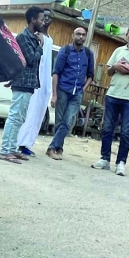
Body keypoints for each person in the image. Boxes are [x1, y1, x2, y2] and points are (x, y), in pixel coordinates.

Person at [92, 25, 129, 177]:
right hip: (113, 95)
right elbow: (109, 71)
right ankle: (104, 158)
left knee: (125, 132)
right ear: (127, 35)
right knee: (107, 129)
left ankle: (121, 163)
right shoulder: (119, 51)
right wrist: (116, 66)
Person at [0, 7, 45, 164]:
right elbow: (31, 59)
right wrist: (41, 45)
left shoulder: (31, 37)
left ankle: (12, 148)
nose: (43, 22)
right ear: (33, 20)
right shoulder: (25, 37)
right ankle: (5, 150)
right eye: (41, 19)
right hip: (22, 82)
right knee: (15, 117)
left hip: (27, 83)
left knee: (19, 118)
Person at [46, 26, 94, 160]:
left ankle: (51, 148)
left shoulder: (89, 54)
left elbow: (91, 76)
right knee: (59, 121)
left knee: (67, 122)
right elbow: (56, 73)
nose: (81, 37)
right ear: (73, 36)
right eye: (78, 34)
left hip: (76, 93)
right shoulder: (65, 51)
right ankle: (58, 148)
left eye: (83, 35)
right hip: (63, 90)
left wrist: (82, 90)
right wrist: (54, 95)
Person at [16, 9, 54, 157]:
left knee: (38, 114)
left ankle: (27, 143)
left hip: (44, 82)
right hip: (33, 80)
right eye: (44, 17)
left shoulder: (48, 38)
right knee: (28, 113)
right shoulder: (35, 37)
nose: (46, 19)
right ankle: (20, 143)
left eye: (49, 17)